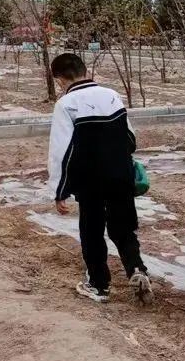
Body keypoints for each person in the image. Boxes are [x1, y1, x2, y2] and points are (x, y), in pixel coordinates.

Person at [47, 53, 152, 304]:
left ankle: (98, 285)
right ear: (84, 70)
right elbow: (130, 138)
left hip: (90, 181)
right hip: (121, 175)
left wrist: (59, 190)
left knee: (92, 231)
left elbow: (62, 152)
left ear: (60, 79)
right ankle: (136, 269)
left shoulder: (66, 104)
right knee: (123, 228)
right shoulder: (111, 95)